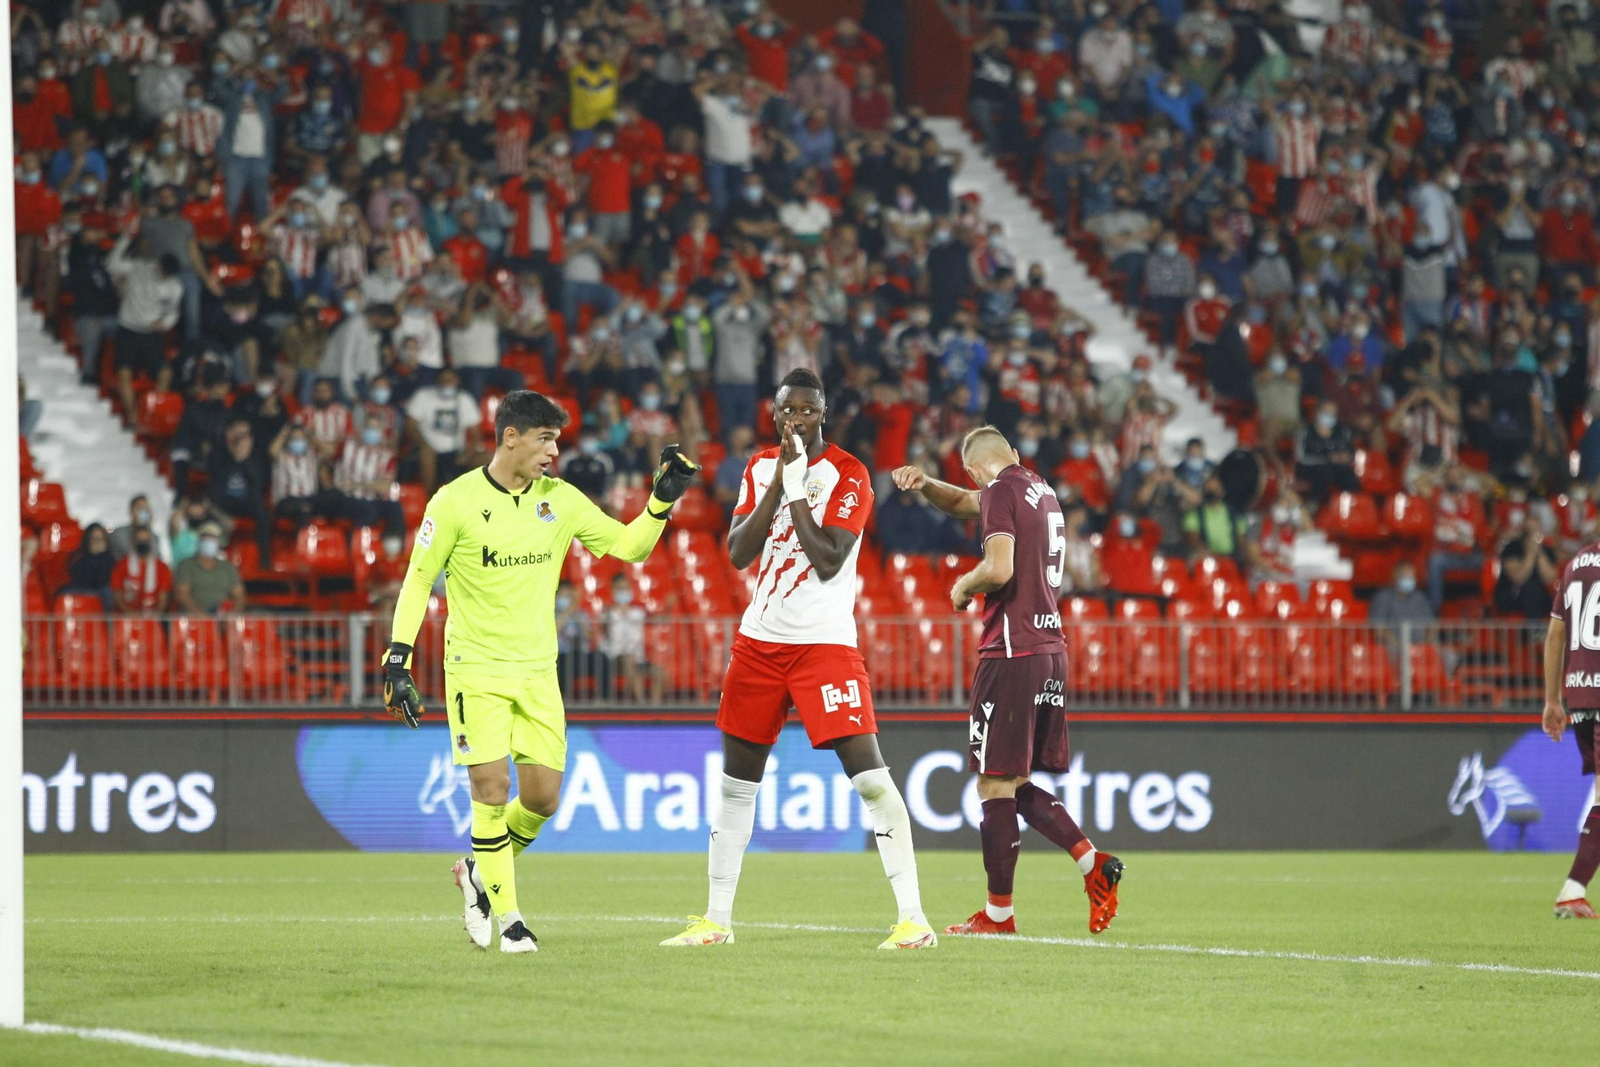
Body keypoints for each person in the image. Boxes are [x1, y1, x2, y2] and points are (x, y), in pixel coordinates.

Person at [382, 390, 701, 955]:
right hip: (475, 668)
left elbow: (628, 549)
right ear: (511, 437)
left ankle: (479, 873)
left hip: (537, 672)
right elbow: (416, 580)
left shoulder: (561, 500)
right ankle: (509, 921)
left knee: (542, 799)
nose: (554, 451)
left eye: (557, 439)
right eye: (545, 439)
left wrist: (659, 503)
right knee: (490, 786)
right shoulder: (453, 502)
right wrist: (397, 658)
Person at [660, 369, 935, 952]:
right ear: (775, 413)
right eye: (789, 412)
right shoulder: (760, 466)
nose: (798, 421)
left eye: (808, 411)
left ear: (823, 413)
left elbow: (830, 557)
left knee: (871, 779)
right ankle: (716, 921)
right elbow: (737, 552)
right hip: (758, 644)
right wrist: (776, 486)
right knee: (737, 785)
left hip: (825, 646)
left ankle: (914, 920)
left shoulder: (849, 474)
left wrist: (795, 491)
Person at [892, 426, 1123, 938]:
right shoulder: (1039, 492)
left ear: (975, 469)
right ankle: (1091, 862)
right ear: (1014, 456)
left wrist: (962, 585)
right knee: (1010, 780)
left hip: (1011, 649)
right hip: (1050, 650)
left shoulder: (999, 493)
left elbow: (998, 570)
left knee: (994, 779)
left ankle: (999, 915)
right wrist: (926, 483)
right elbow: (963, 502)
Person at [1543, 533, 1600, 918]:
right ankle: (1573, 888)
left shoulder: (1575, 565)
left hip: (1580, 696)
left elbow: (1555, 637)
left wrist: (1551, 700)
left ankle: (1574, 889)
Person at [171, 521, 246, 614]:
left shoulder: (228, 567)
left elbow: (239, 595)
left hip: (222, 616)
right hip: (194, 619)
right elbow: (182, 595)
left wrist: (233, 614)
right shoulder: (186, 566)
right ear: (199, 541)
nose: (208, 541)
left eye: (212, 539)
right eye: (205, 538)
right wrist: (200, 615)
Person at [111, 527, 171, 614]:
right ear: (133, 542)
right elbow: (117, 596)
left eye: (145, 540)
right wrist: (132, 614)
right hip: (126, 618)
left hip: (153, 618)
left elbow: (163, 598)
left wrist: (154, 616)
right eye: (139, 540)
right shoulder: (121, 565)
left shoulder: (162, 567)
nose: (142, 543)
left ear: (151, 542)